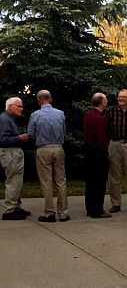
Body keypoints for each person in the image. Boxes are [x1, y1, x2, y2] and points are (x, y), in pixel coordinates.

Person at [28, 90, 69, 222]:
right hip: (58, 147)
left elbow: (31, 133)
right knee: (61, 180)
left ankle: (49, 212)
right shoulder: (60, 113)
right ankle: (63, 212)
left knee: (46, 182)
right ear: (50, 99)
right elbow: (63, 131)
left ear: (39, 100)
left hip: (43, 148)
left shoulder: (35, 115)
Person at [0, 97, 30, 220]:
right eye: (19, 106)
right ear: (10, 106)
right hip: (10, 152)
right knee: (13, 180)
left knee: (17, 181)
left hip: (12, 152)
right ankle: (9, 210)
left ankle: (16, 207)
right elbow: (2, 140)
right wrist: (20, 138)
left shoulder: (9, 119)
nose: (21, 108)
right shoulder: (4, 119)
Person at [83, 92, 111, 219]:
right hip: (98, 151)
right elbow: (101, 138)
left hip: (89, 150)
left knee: (90, 181)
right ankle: (97, 209)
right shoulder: (99, 118)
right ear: (101, 102)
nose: (106, 103)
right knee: (99, 181)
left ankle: (90, 207)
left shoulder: (88, 115)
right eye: (105, 101)